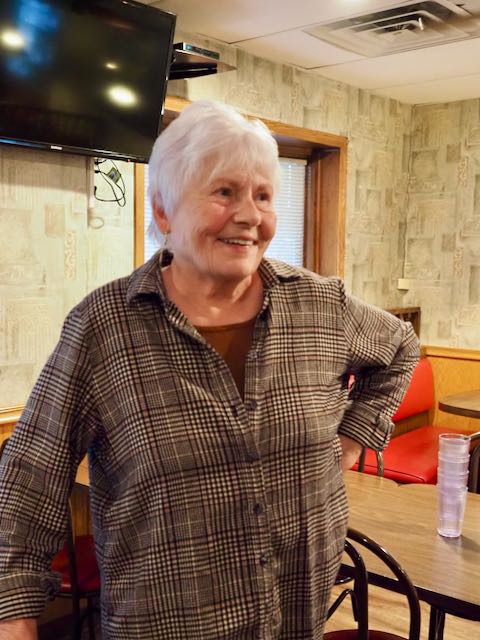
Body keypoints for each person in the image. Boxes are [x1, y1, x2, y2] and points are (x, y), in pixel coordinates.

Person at [0, 100, 419, 640]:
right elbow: (28, 480)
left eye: (263, 196)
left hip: (295, 616)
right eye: (224, 192)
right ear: (163, 210)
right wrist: (13, 616)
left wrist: (353, 438)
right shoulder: (104, 327)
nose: (249, 216)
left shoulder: (320, 306)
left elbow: (401, 347)